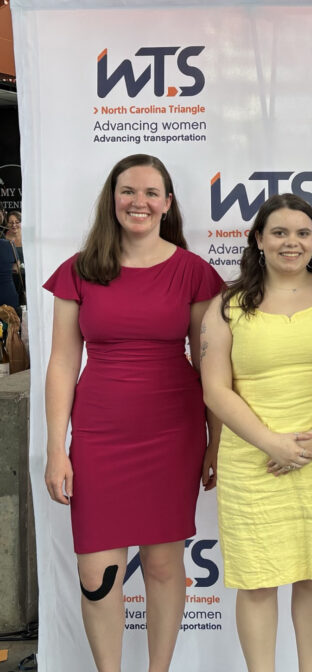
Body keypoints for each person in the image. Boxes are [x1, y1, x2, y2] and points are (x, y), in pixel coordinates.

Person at [42, 154, 224, 672]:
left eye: (150, 193)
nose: (138, 202)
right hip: (99, 433)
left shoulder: (194, 273)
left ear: (168, 203)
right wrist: (57, 448)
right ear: (112, 199)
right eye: (128, 191)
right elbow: (60, 363)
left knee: (165, 564)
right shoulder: (80, 270)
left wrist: (214, 443)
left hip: (173, 431)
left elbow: (212, 366)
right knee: (98, 575)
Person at [201, 193, 312, 672]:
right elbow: (216, 389)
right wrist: (272, 443)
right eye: (279, 232)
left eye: (302, 232)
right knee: (257, 581)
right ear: (258, 240)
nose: (291, 242)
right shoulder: (227, 305)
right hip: (254, 462)